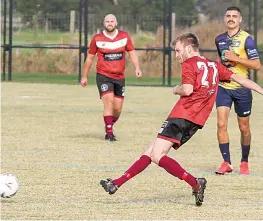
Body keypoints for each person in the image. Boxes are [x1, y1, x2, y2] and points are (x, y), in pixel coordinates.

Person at [99, 33, 263, 206]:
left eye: (178, 51)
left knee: (157, 154)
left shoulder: (189, 63)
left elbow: (187, 89)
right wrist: (260, 89)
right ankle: (116, 183)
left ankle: (195, 183)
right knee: (150, 151)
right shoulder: (214, 65)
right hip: (195, 120)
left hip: (182, 115)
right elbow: (240, 79)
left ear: (189, 48)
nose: (176, 55)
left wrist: (176, 89)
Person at [81, 14, 142, 141]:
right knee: (109, 103)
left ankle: (109, 124)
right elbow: (90, 58)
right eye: (107, 21)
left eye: (112, 21)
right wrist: (84, 76)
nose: (110, 23)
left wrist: (137, 68)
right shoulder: (97, 38)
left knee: (117, 108)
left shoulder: (124, 37)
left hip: (119, 77)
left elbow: (132, 53)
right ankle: (109, 133)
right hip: (103, 76)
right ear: (104, 24)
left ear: (116, 23)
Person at [215, 6, 261, 175]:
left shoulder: (247, 39)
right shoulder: (219, 39)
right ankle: (226, 162)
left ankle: (244, 161)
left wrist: (236, 59)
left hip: (242, 88)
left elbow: (256, 65)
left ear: (240, 19)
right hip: (224, 87)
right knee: (221, 123)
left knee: (244, 128)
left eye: (234, 16)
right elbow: (223, 62)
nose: (231, 18)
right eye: (228, 15)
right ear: (224, 18)